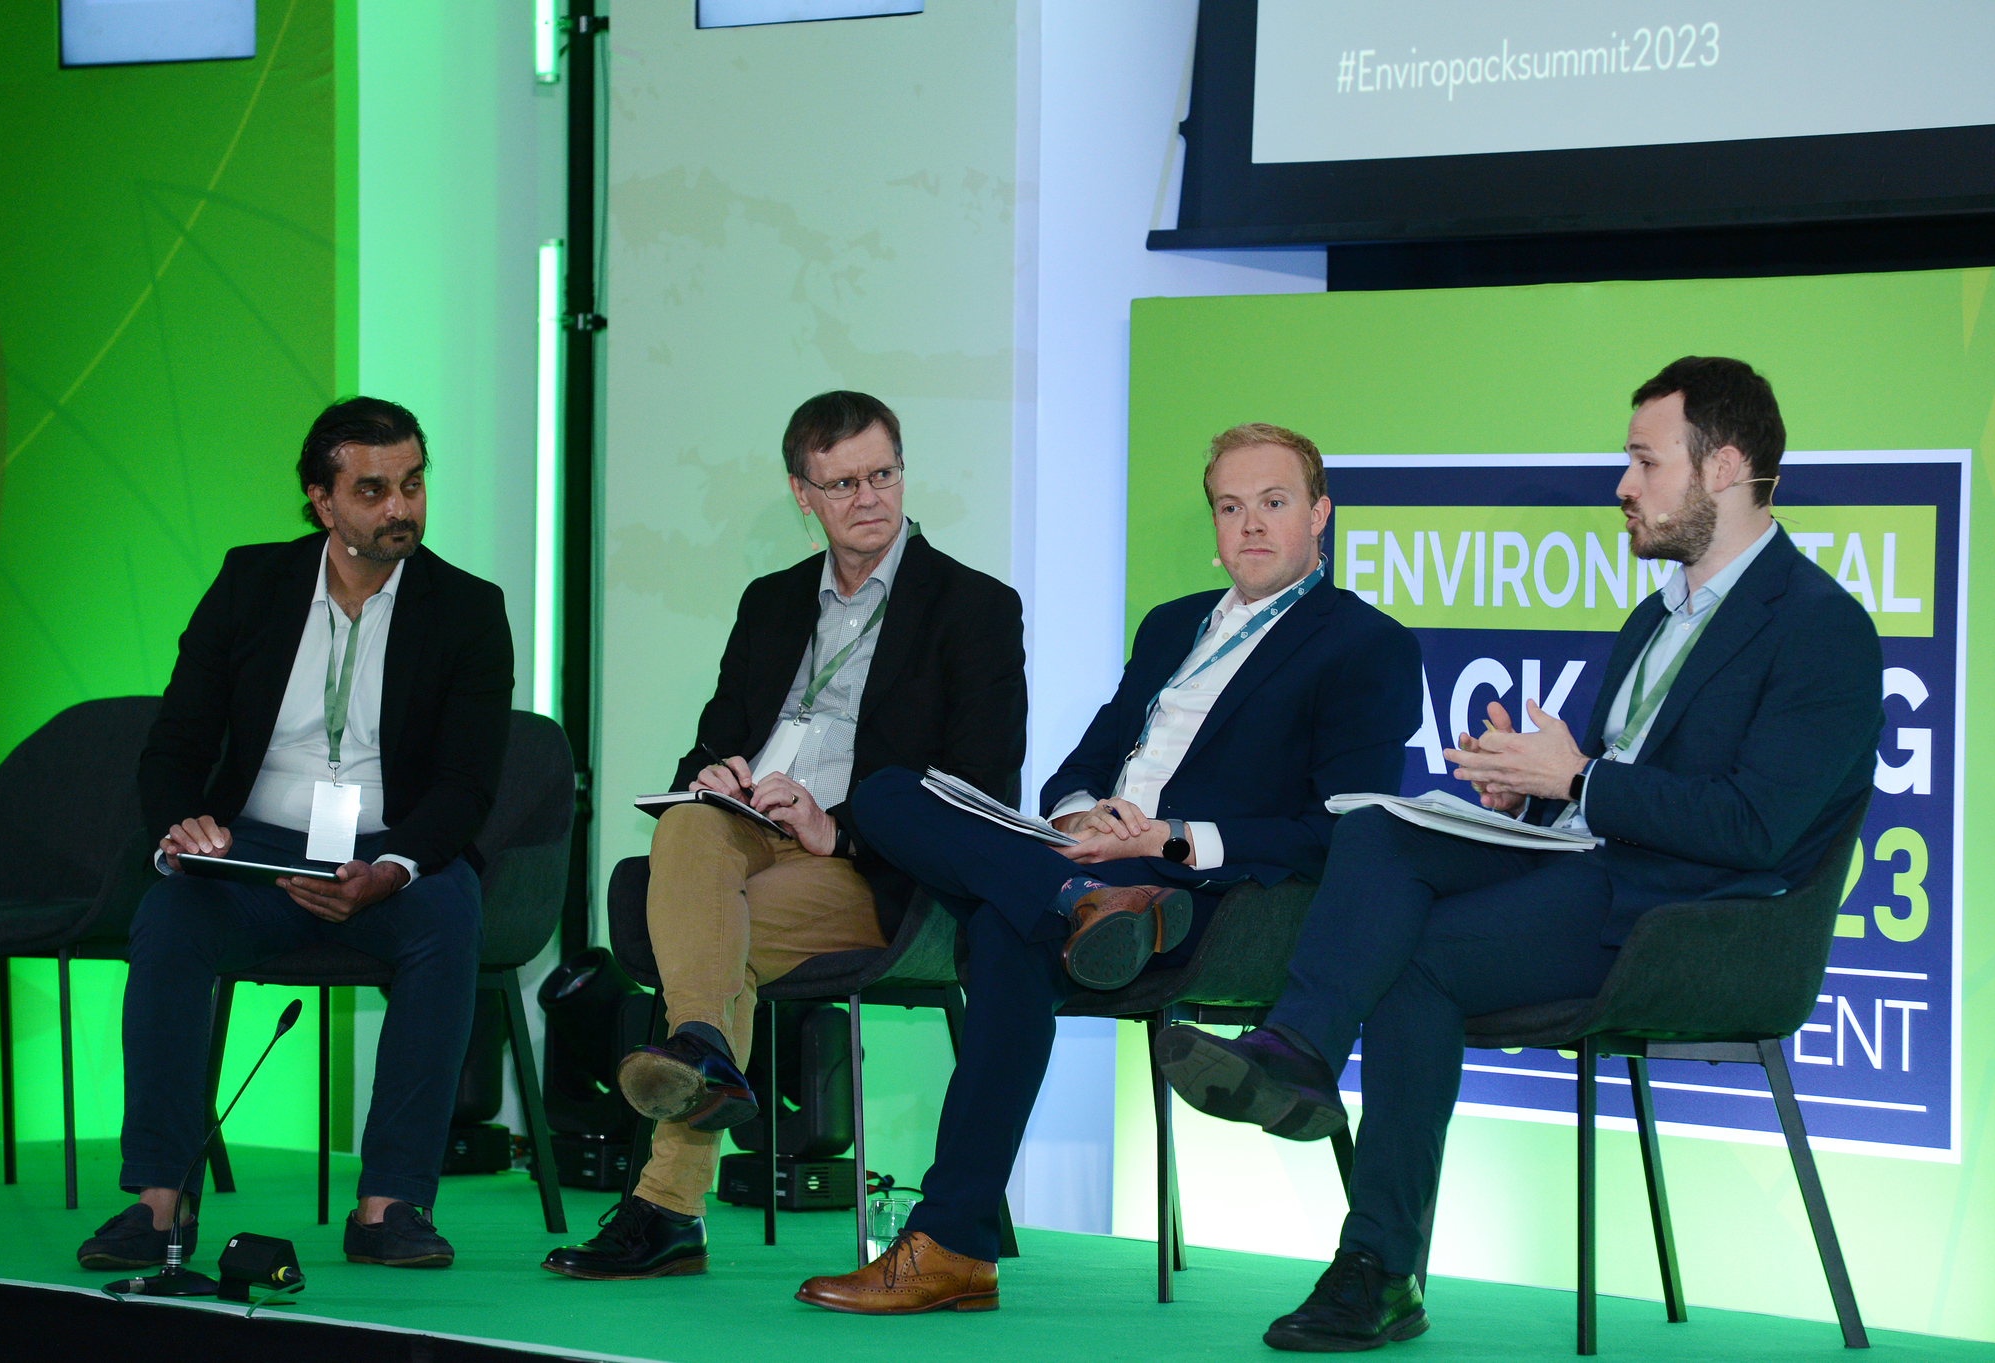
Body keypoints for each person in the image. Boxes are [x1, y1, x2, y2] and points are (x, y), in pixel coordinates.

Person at [1159, 357, 1887, 1352]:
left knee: (1414, 959)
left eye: (1644, 462)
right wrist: (1529, 792)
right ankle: (1299, 1055)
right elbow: (1608, 789)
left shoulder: (1819, 627)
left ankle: (1376, 1264)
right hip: (1592, 867)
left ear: (1721, 467)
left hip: (1689, 915)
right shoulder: (1657, 617)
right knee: (1378, 827)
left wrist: (1576, 777)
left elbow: (1755, 825)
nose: (1622, 485)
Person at [791, 423, 1423, 1314]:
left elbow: (1341, 831)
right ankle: (1077, 896)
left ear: (1320, 514)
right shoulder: (1171, 625)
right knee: (891, 792)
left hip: (1203, 892)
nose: (1249, 525)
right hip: (1090, 865)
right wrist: (1079, 815)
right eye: (1230, 506)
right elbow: (1082, 763)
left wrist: (1168, 838)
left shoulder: (1365, 643)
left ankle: (953, 1246)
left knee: (1007, 931)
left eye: (1273, 503)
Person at [541, 390, 1026, 1280]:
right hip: (746, 834)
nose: (869, 497)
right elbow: (712, 737)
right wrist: (714, 773)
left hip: (870, 866)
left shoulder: (975, 606)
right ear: (803, 494)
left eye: (883, 474)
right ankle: (703, 1048)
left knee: (708, 942)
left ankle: (667, 1200)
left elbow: (982, 788)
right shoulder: (770, 602)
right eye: (843, 484)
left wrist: (836, 828)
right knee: (689, 821)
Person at [77, 397, 514, 1273]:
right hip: (257, 857)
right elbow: (175, 744)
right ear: (322, 500)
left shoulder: (467, 608)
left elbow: (467, 783)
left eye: (413, 484)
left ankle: (391, 1204)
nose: (401, 507)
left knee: (449, 916)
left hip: (390, 853)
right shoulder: (251, 584)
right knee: (168, 918)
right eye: (373, 490)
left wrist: (393, 868)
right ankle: (159, 1199)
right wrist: (182, 827)